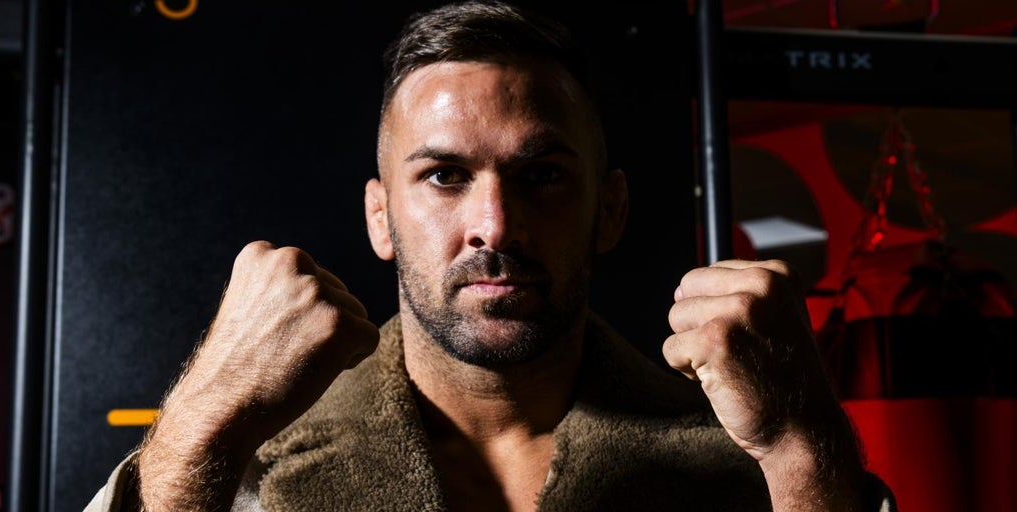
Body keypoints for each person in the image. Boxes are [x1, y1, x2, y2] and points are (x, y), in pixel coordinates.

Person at [87, 1, 896, 510]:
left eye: (540, 176)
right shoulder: (243, 463)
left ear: (610, 210)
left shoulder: (746, 463)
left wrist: (801, 449)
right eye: (445, 176)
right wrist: (204, 419)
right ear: (380, 217)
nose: (495, 227)